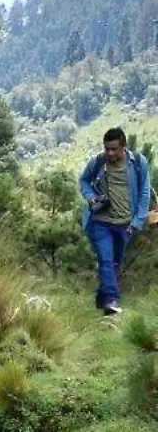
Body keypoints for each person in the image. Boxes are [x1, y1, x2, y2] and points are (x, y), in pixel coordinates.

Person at [79, 127, 151, 315]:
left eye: (114, 149)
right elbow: (84, 181)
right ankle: (112, 299)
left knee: (114, 262)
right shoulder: (98, 162)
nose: (110, 153)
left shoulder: (138, 163)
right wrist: (91, 197)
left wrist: (137, 222)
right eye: (107, 149)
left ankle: (102, 298)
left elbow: (144, 192)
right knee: (106, 258)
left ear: (123, 147)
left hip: (125, 225)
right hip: (100, 222)